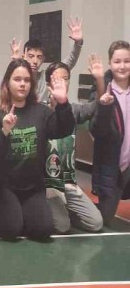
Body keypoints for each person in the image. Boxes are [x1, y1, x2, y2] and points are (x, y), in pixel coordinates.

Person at [0, 59, 75, 241]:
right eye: (17, 79)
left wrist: (63, 102)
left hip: (32, 187)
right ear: (8, 82)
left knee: (43, 229)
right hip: (3, 186)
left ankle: (21, 214)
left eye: (26, 80)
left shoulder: (41, 112)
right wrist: (5, 131)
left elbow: (64, 130)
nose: (22, 84)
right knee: (11, 229)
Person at [44, 57, 104, 233]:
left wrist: (99, 80)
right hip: (47, 184)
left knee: (95, 223)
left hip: (69, 183)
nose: (61, 82)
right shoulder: (40, 111)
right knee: (61, 226)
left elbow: (99, 104)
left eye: (65, 78)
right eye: (57, 78)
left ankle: (66, 211)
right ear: (48, 83)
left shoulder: (74, 110)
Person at [91, 40, 130, 226]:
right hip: (111, 166)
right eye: (117, 61)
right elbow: (96, 130)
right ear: (110, 63)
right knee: (104, 220)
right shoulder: (102, 90)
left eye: (127, 61)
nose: (122, 66)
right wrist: (104, 107)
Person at [10, 17, 83, 102]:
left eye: (39, 57)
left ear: (43, 59)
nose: (35, 61)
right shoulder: (18, 80)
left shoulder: (45, 76)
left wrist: (78, 43)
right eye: (31, 56)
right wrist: (17, 64)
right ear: (23, 56)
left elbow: (69, 62)